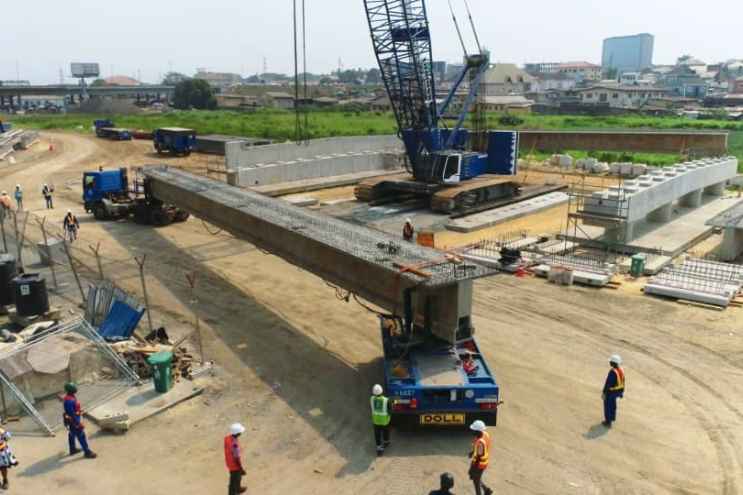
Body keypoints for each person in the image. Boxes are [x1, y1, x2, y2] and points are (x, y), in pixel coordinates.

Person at [63, 382, 97, 459]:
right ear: (72, 390)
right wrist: (78, 423)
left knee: (71, 434)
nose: (76, 388)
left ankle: (72, 449)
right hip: (74, 420)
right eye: (75, 387)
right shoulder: (69, 400)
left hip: (73, 419)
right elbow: (71, 414)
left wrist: (79, 411)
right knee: (81, 435)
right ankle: (87, 452)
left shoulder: (70, 397)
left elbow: (74, 409)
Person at [468, 420, 493, 495]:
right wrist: (472, 452)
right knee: (477, 478)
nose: (472, 431)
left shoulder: (480, 443)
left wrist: (472, 469)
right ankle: (487, 490)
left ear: (478, 431)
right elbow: (480, 450)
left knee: (476, 481)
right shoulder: (485, 434)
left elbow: (479, 457)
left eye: (474, 430)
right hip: (483, 462)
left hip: (479, 465)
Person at [602, 354, 625, 428]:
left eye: (611, 361)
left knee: (608, 406)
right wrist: (621, 392)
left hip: (611, 392)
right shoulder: (621, 370)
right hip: (618, 391)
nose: (609, 363)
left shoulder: (613, 372)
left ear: (613, 363)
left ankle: (608, 422)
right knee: (613, 405)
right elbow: (623, 381)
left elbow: (608, 383)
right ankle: (612, 418)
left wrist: (604, 393)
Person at [224, 423, 247, 495]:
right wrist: (241, 469)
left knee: (238, 478)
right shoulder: (235, 446)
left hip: (229, 462)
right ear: (237, 434)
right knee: (234, 480)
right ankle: (233, 492)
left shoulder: (227, 438)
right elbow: (237, 459)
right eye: (240, 432)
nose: (241, 433)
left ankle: (238, 488)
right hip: (235, 466)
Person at [370, 384, 391, 456]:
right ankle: (386, 442)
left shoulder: (372, 399)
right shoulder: (386, 400)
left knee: (377, 435)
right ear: (382, 391)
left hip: (376, 421)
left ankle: (379, 449)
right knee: (386, 432)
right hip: (385, 421)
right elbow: (390, 410)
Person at [0, 424, 18, 490]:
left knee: (3, 467)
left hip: (1, 452)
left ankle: (5, 480)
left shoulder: (1, 430)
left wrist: (3, 432)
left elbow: (8, 437)